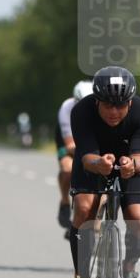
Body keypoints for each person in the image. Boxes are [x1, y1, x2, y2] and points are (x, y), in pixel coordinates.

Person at [68, 66, 140, 278]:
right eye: (108, 105)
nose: (114, 112)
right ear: (97, 101)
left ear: (130, 102)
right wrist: (99, 164)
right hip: (93, 164)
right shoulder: (81, 111)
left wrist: (132, 164)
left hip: (130, 167)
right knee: (84, 209)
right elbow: (86, 156)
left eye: (121, 105)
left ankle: (129, 268)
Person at [55, 80, 95, 230]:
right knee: (67, 169)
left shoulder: (100, 107)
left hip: (87, 141)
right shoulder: (67, 108)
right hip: (69, 142)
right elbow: (70, 144)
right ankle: (65, 202)